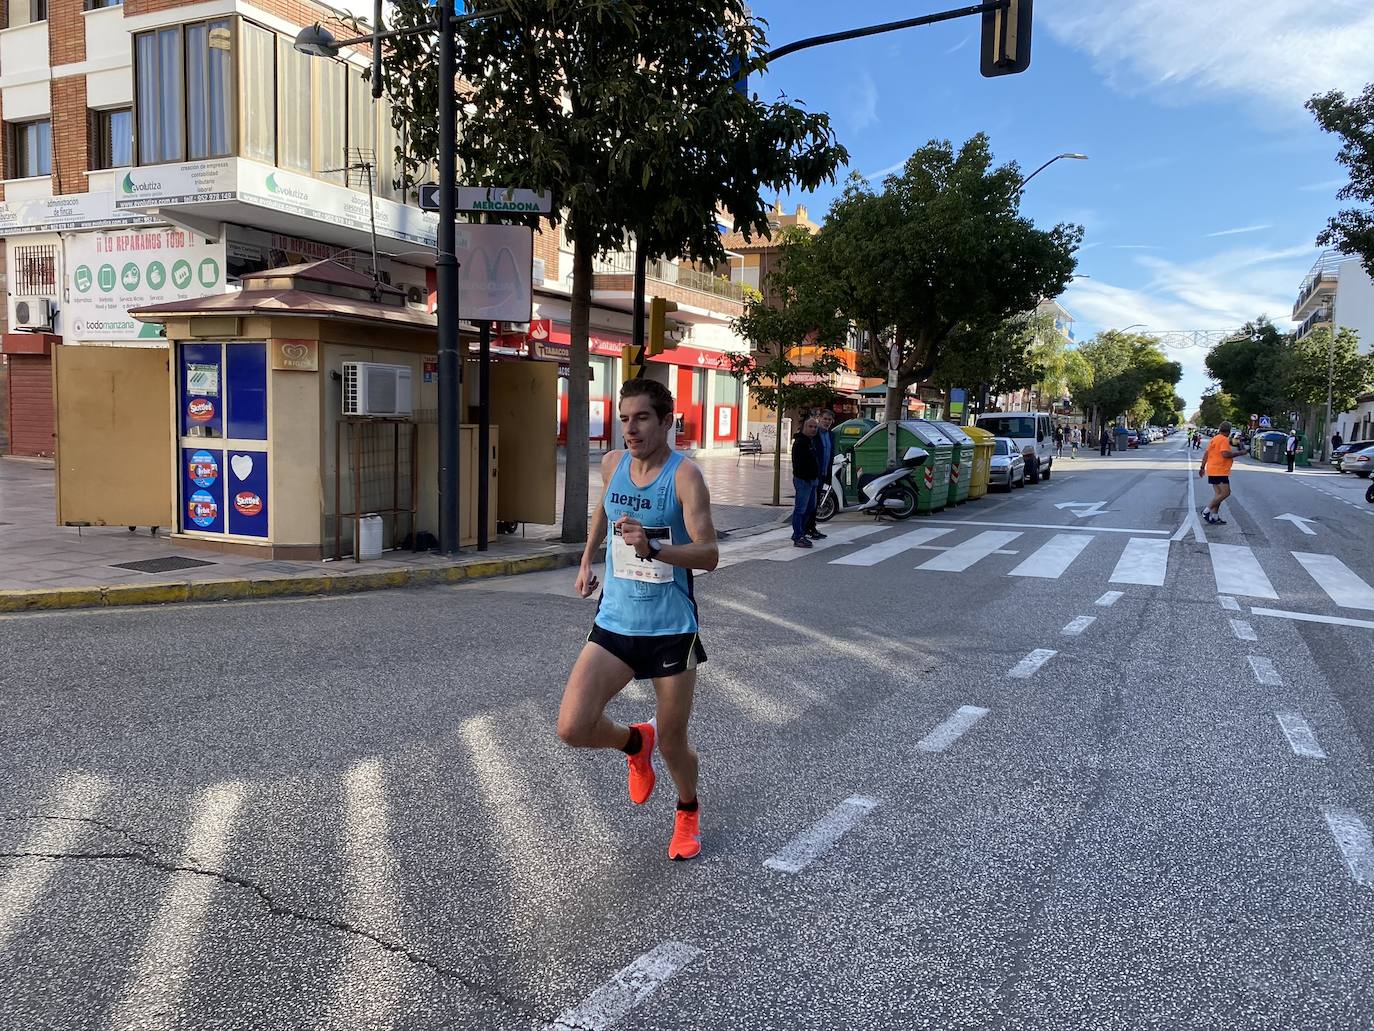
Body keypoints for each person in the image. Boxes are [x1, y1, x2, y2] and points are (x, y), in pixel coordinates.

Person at [561, 377, 719, 862]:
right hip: (615, 621)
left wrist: (654, 549)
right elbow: (604, 512)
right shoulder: (613, 464)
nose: (630, 429)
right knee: (572, 726)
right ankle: (634, 741)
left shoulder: (684, 477)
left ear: (667, 421)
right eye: (624, 419)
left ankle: (687, 810)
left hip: (670, 628)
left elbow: (709, 554)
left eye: (642, 418)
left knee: (674, 742)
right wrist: (588, 558)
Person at [1200, 420, 1244, 525]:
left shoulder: (1214, 439)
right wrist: (1240, 453)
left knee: (1218, 494)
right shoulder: (1224, 440)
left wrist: (1202, 467)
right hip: (1220, 470)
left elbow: (1206, 454)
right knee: (1226, 493)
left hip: (1212, 469)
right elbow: (1225, 454)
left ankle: (1215, 516)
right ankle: (1206, 511)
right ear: (1228, 431)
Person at [805, 409, 836, 540]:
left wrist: (828, 475)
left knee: (816, 502)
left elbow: (830, 456)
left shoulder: (831, 435)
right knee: (809, 503)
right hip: (813, 473)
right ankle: (805, 529)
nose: (827, 422)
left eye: (829, 420)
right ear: (819, 419)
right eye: (825, 419)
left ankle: (812, 528)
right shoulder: (814, 433)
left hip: (824, 473)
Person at [790, 417, 821, 548]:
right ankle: (798, 536)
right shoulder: (800, 443)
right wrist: (807, 477)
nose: (813, 429)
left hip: (812, 480)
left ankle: (799, 532)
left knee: (810, 508)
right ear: (804, 427)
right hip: (804, 481)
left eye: (815, 427)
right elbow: (798, 464)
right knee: (800, 509)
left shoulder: (810, 441)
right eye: (811, 426)